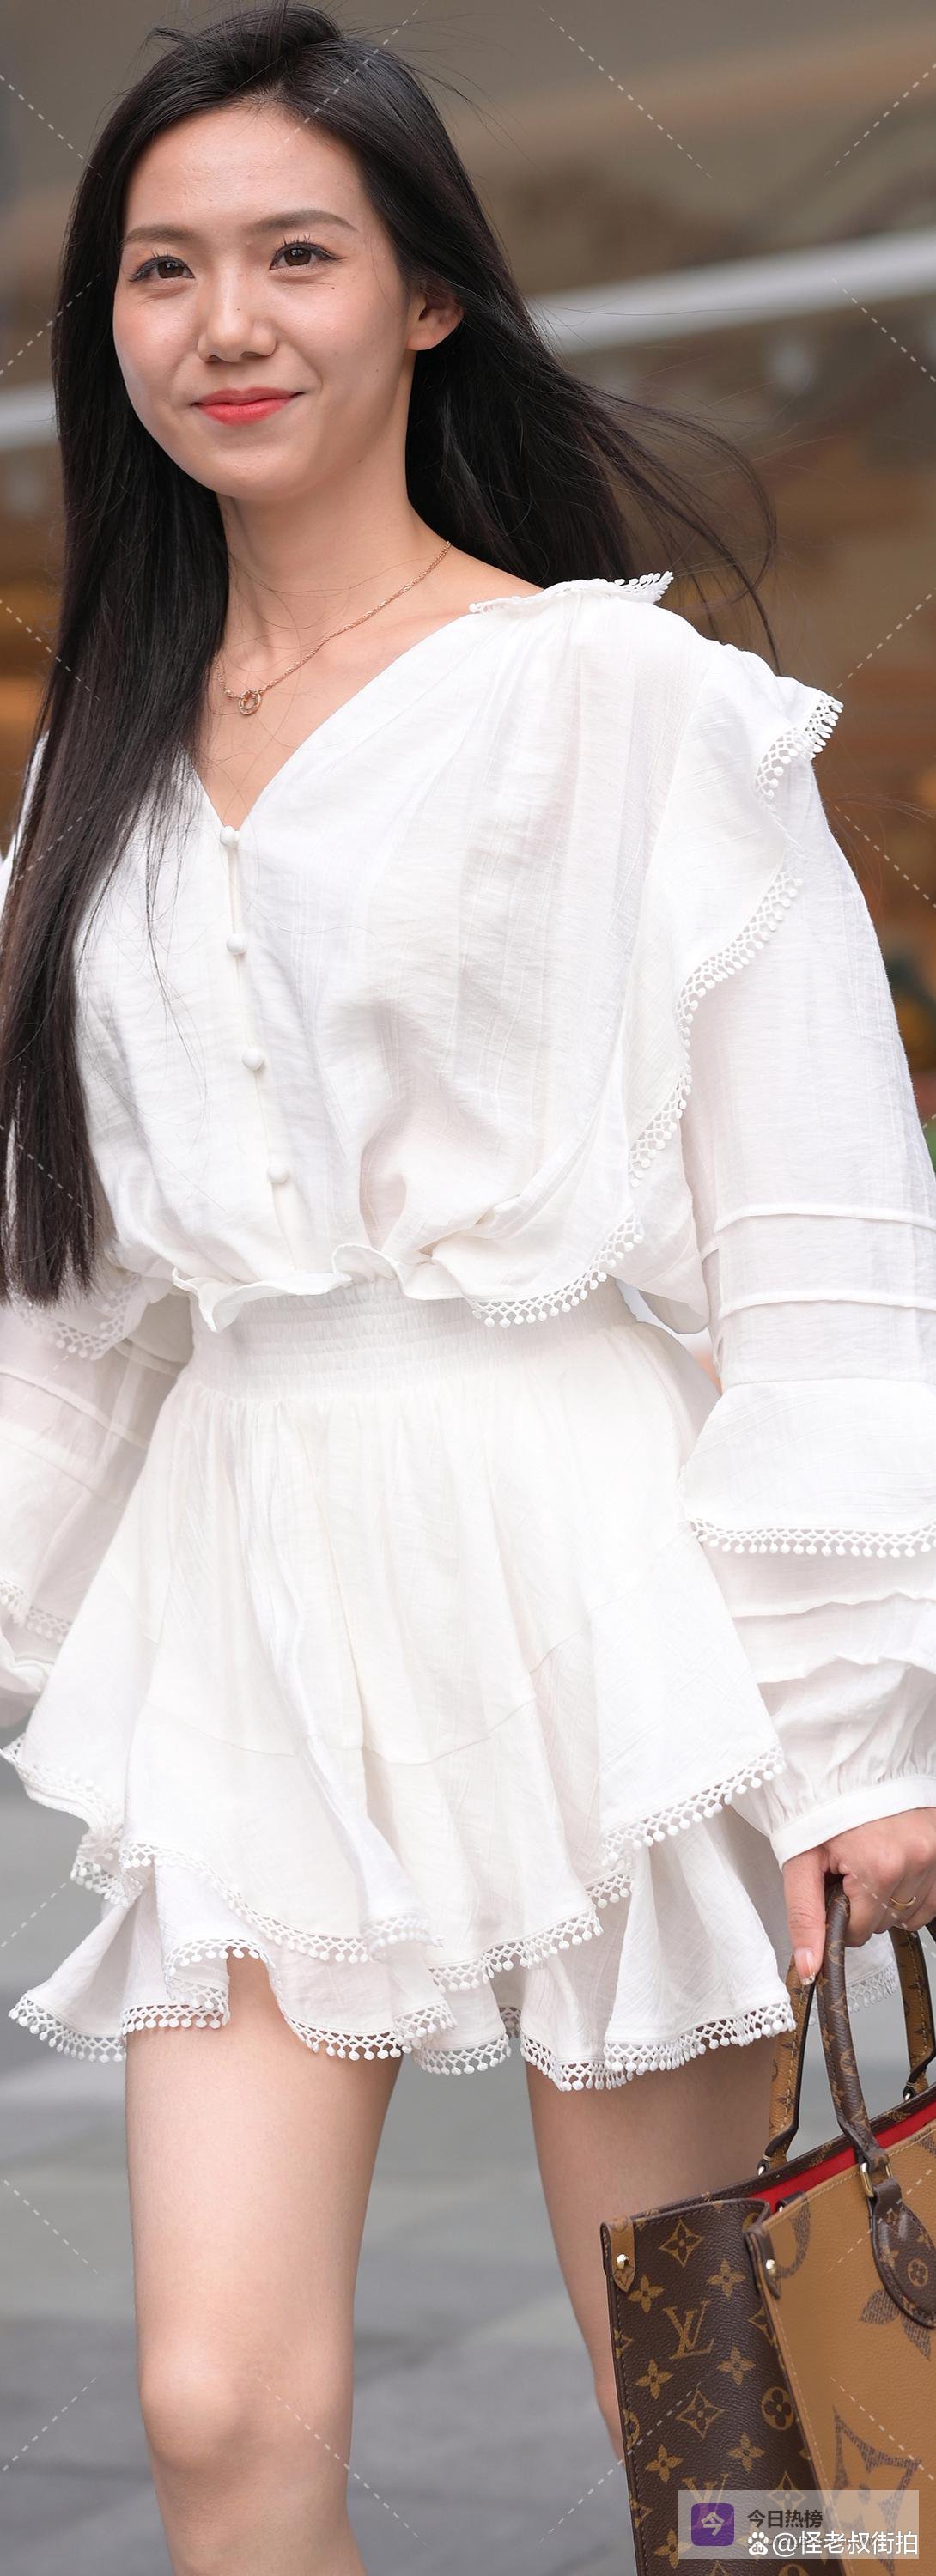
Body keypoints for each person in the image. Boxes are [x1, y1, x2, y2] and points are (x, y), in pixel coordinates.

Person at [0, 7, 933, 2570]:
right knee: (212, 2404)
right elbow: (71, 1302)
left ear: (427, 297)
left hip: (596, 1585)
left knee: (716, 2430)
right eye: (162, 269)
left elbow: (822, 1239)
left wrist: (862, 1734)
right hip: (253, 1603)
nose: (226, 322)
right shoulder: (91, 779)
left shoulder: (621, 703)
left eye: (296, 255)